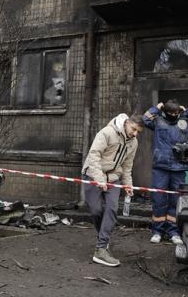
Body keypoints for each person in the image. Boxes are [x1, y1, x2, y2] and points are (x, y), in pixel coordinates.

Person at [82, 113, 144, 267]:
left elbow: (127, 165)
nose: (135, 134)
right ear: (127, 123)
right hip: (93, 175)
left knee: (112, 208)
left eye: (138, 132)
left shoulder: (133, 142)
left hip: (114, 178)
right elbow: (93, 156)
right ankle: (102, 237)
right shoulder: (107, 133)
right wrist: (99, 179)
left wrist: (128, 184)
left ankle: (101, 248)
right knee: (96, 210)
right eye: (134, 129)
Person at [143, 100, 188, 245]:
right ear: (165, 111)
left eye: (176, 113)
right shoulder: (157, 121)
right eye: (171, 113)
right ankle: (157, 231)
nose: (174, 115)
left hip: (179, 167)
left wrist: (187, 110)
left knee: (176, 200)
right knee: (159, 199)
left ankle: (173, 231)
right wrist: (156, 108)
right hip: (161, 167)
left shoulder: (184, 122)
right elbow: (145, 119)